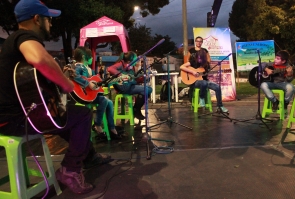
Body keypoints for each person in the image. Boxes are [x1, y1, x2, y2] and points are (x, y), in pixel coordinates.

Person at [0, 0, 111, 194]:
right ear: (37, 19)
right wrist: (65, 84)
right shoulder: (24, 36)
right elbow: (40, 58)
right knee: (83, 114)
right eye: (48, 19)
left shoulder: (12, 43)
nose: (51, 24)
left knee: (64, 115)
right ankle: (70, 169)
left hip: (13, 117)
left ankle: (88, 156)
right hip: (17, 120)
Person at [72, 47, 121, 139]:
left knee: (109, 102)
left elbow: (98, 82)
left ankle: (112, 127)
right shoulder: (78, 66)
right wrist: (87, 83)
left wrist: (115, 81)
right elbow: (74, 76)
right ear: (83, 57)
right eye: (90, 57)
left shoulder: (90, 69)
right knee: (104, 100)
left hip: (91, 95)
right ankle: (97, 124)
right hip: (84, 96)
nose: (92, 58)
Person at [180, 36, 228, 113]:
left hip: (204, 81)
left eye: (203, 57)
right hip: (194, 82)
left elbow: (205, 72)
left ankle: (220, 106)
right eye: (200, 57)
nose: (201, 58)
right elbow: (182, 66)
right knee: (204, 83)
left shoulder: (205, 64)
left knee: (217, 87)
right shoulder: (193, 62)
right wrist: (193, 72)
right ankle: (201, 98)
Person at [107, 51, 153, 120]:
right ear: (129, 61)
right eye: (135, 59)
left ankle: (136, 109)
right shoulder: (121, 64)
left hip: (129, 86)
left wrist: (143, 78)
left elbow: (133, 80)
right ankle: (136, 109)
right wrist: (122, 75)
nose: (137, 60)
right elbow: (110, 68)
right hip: (122, 87)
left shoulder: (132, 68)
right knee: (147, 90)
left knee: (148, 90)